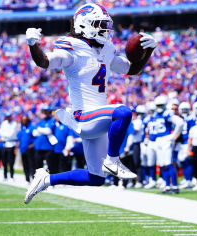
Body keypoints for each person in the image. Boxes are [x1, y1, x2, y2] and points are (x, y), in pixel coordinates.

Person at [24, 3, 157, 203]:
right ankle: (113, 161)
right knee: (123, 112)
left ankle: (47, 179)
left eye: (106, 24)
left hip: (98, 120)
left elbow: (131, 69)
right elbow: (44, 61)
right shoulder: (72, 46)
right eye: (99, 24)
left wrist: (149, 51)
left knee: (95, 178)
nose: (105, 29)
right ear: (83, 25)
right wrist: (33, 45)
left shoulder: (106, 49)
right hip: (84, 117)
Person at [153, 96, 183, 194]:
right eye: (158, 105)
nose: (160, 107)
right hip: (159, 140)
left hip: (166, 140)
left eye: (161, 105)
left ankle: (174, 186)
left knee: (168, 164)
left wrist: (172, 135)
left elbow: (180, 122)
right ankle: (166, 186)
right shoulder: (156, 114)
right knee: (162, 164)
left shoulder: (167, 113)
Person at [33, 106, 57, 175]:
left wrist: (39, 129)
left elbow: (48, 131)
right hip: (39, 147)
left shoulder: (52, 120)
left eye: (46, 111)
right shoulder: (40, 122)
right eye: (43, 111)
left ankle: (53, 182)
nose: (44, 112)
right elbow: (34, 133)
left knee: (51, 166)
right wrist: (42, 130)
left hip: (48, 147)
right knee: (38, 167)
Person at [178, 102, 197, 189]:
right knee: (183, 162)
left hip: (188, 142)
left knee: (187, 161)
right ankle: (186, 179)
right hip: (181, 142)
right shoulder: (179, 118)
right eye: (183, 110)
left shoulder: (191, 119)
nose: (184, 112)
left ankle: (189, 180)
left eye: (186, 110)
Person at [0, 112, 18, 182]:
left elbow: (11, 135)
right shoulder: (4, 123)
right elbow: (0, 132)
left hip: (11, 144)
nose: (8, 118)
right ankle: (5, 176)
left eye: (9, 116)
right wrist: (5, 134)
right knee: (4, 161)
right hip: (5, 144)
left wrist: (4, 134)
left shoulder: (14, 124)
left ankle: (12, 176)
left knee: (11, 161)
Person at [17, 115, 36, 184]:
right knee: (25, 165)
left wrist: (32, 145)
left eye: (25, 120)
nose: (24, 121)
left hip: (29, 149)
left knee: (32, 164)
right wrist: (17, 148)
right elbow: (18, 139)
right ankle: (27, 179)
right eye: (23, 120)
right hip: (22, 149)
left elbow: (35, 138)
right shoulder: (21, 129)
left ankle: (34, 179)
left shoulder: (31, 127)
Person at [130, 105, 146, 188]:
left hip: (136, 143)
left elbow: (134, 131)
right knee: (130, 163)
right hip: (129, 144)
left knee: (137, 162)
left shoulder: (138, 121)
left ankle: (140, 180)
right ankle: (132, 180)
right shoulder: (130, 122)